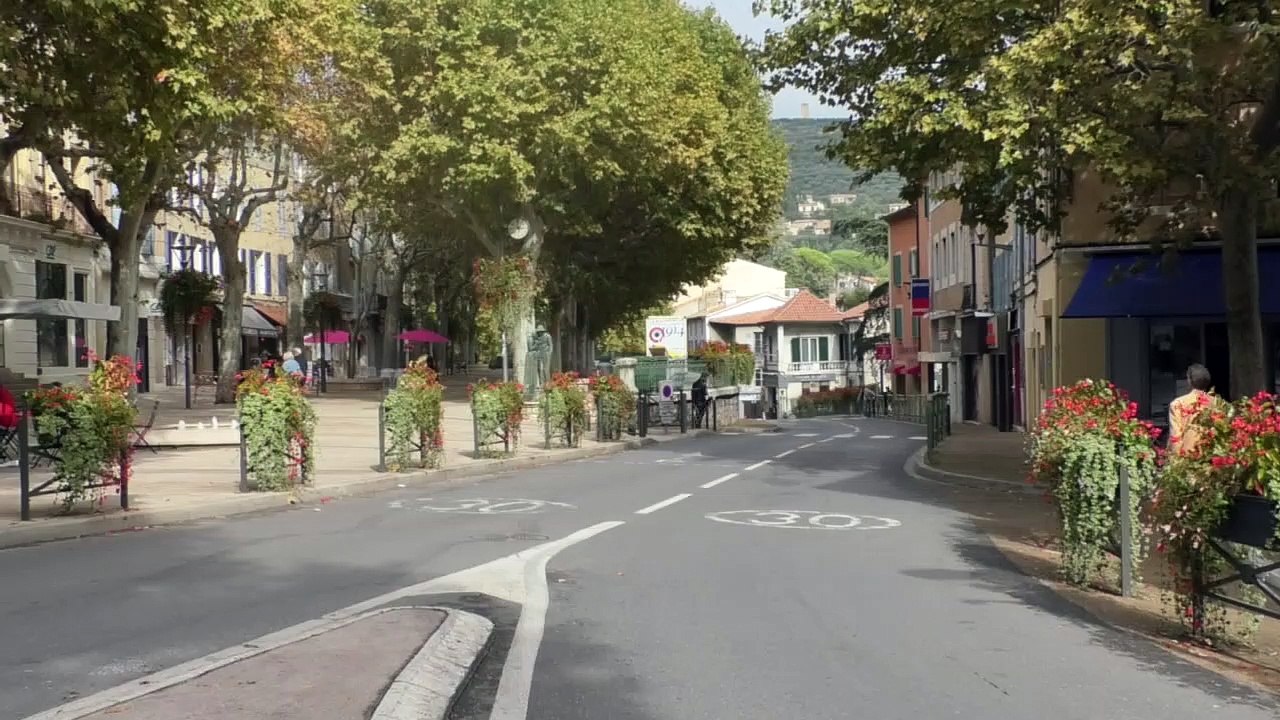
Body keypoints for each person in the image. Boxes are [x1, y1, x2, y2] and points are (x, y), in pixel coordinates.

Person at [1168, 363, 1220, 456]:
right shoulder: (1216, 403)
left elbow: (1176, 435)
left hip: (1187, 455)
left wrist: (1174, 459)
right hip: (1211, 455)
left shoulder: (1177, 404)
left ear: (1189, 381)